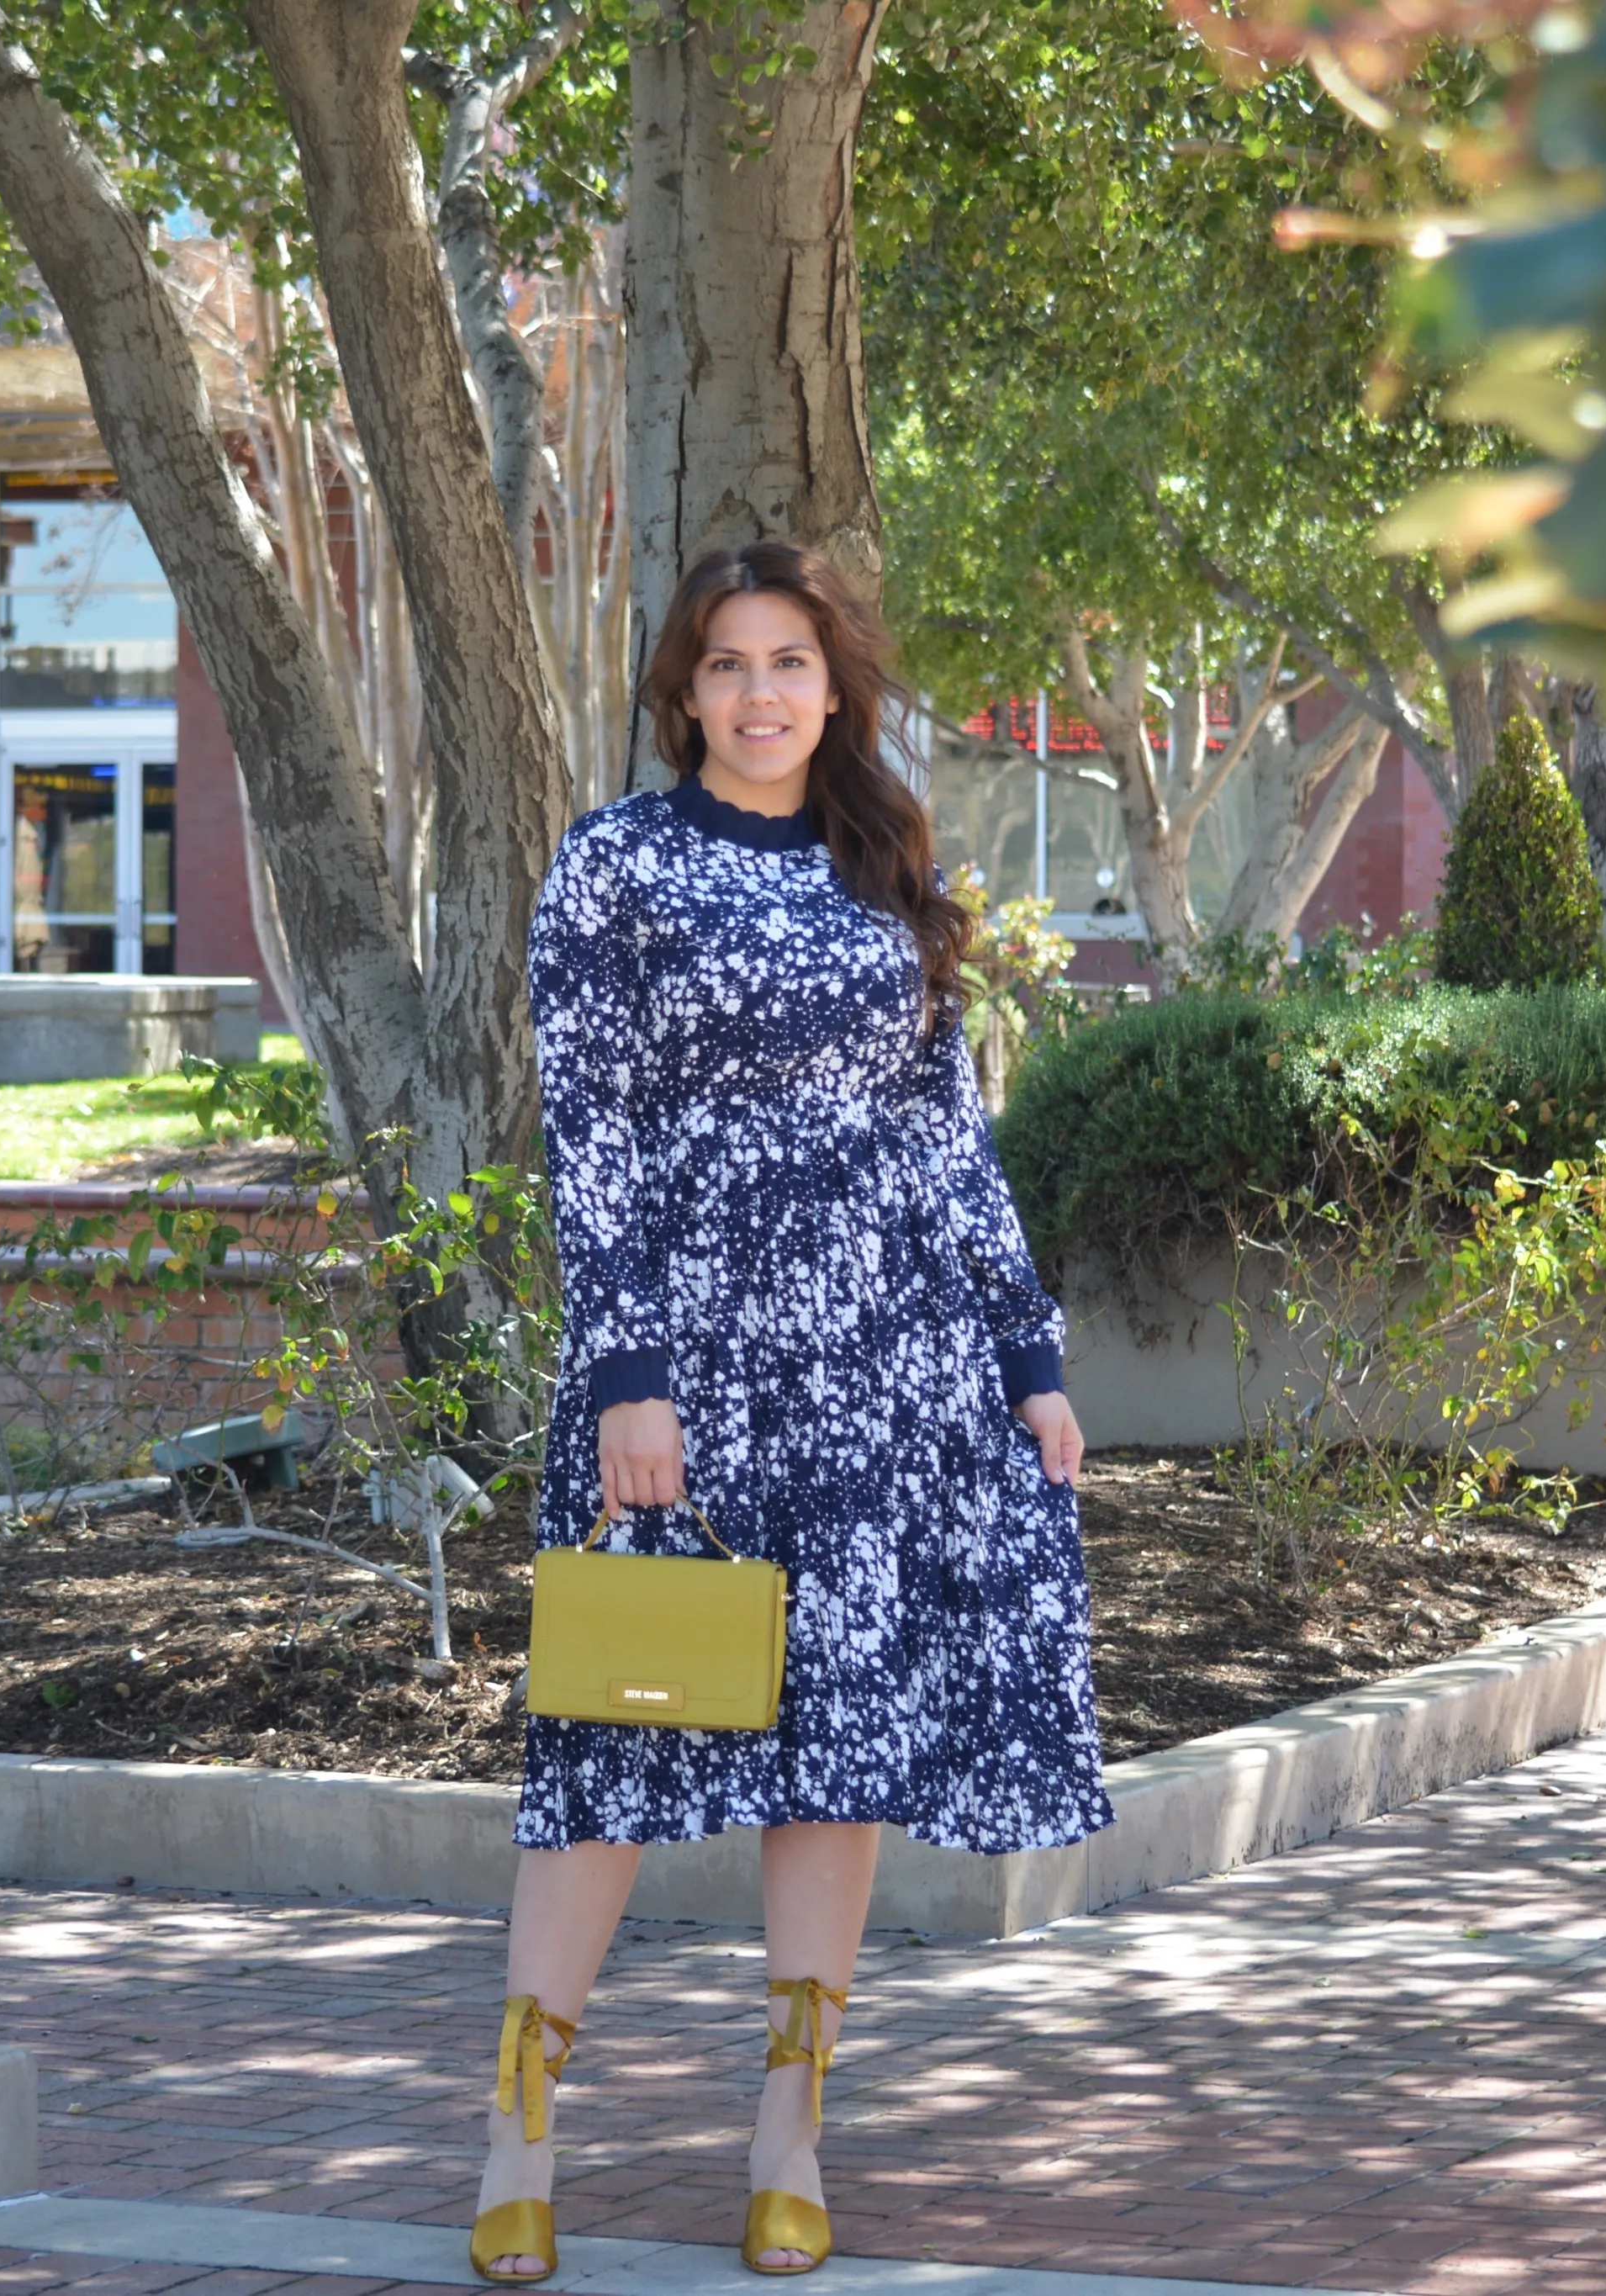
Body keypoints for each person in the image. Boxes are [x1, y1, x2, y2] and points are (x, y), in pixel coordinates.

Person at [471, 539, 1113, 2283]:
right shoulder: (613, 866)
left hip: (881, 1366)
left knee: (829, 1753)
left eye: (791, 664)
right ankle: (521, 2129)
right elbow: (587, 1135)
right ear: (682, 691)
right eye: (727, 664)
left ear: (835, 689)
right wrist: (624, 1371)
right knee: (609, 1745)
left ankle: (787, 2133)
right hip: (682, 1365)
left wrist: (1025, 1359)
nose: (759, 692)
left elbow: (942, 1135)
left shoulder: (882, 863)